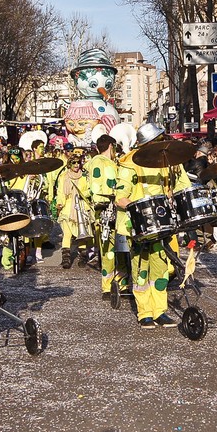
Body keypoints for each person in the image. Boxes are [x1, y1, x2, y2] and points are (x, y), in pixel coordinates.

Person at [117, 124, 191, 329]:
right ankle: (145, 313)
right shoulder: (130, 164)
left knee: (160, 270)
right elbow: (120, 197)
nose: (161, 145)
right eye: (157, 142)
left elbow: (183, 187)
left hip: (162, 224)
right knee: (141, 269)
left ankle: (160, 311)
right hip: (139, 226)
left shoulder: (166, 162)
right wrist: (135, 206)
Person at [87, 134, 124, 296]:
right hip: (106, 211)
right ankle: (108, 286)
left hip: (110, 210)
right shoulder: (100, 163)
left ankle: (118, 281)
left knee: (117, 247)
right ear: (111, 146)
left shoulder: (103, 162)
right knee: (109, 249)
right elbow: (100, 190)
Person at [55, 150, 92, 269]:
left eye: (78, 163)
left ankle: (83, 257)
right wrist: (59, 204)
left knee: (82, 234)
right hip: (68, 208)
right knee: (67, 234)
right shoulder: (63, 177)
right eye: (74, 163)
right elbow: (60, 192)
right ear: (69, 164)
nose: (76, 165)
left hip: (81, 206)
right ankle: (66, 259)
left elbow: (90, 189)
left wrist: (82, 194)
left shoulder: (85, 176)